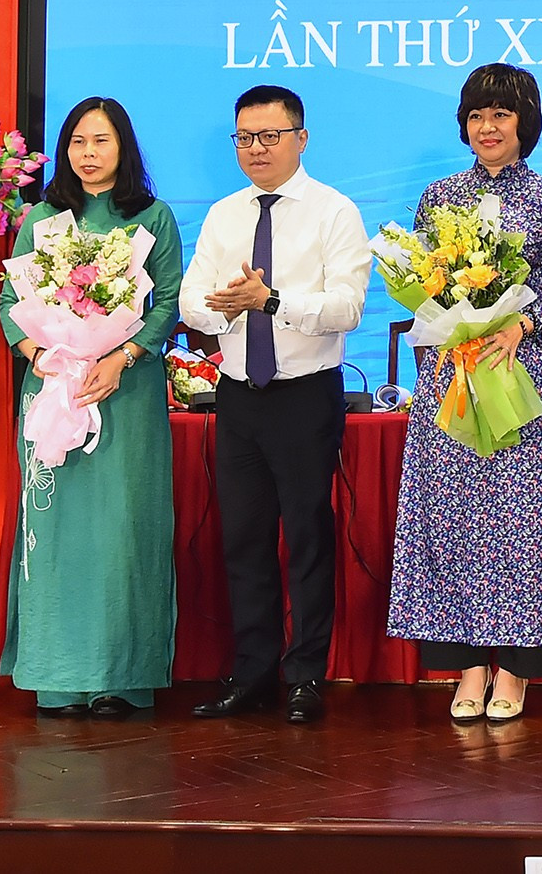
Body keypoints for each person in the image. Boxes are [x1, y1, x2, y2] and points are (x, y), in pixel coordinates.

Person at [386, 64, 542, 723]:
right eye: (477, 115)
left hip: (519, 373)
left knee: (516, 523)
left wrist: (527, 321)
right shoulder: (439, 194)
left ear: (524, 122)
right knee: (454, 522)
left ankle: (515, 668)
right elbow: (420, 283)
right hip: (451, 375)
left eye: (501, 114)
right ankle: (468, 664)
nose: (488, 127)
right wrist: (441, 336)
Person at [179, 84, 370, 724]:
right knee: (244, 540)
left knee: (308, 537)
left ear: (300, 139)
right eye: (244, 138)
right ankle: (253, 671)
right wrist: (227, 305)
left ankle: (305, 675)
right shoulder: (223, 214)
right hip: (237, 397)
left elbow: (348, 306)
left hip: (305, 397)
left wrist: (273, 301)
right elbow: (189, 303)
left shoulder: (333, 212)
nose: (255, 149)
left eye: (269, 137)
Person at [0, 98, 181, 717]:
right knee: (55, 532)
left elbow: (166, 305)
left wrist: (121, 356)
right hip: (53, 389)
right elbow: (8, 303)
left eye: (101, 141)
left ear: (123, 148)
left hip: (124, 395)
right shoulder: (42, 219)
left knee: (123, 531)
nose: (89, 154)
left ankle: (120, 676)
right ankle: (57, 672)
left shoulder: (152, 217)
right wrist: (36, 351)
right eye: (77, 141)